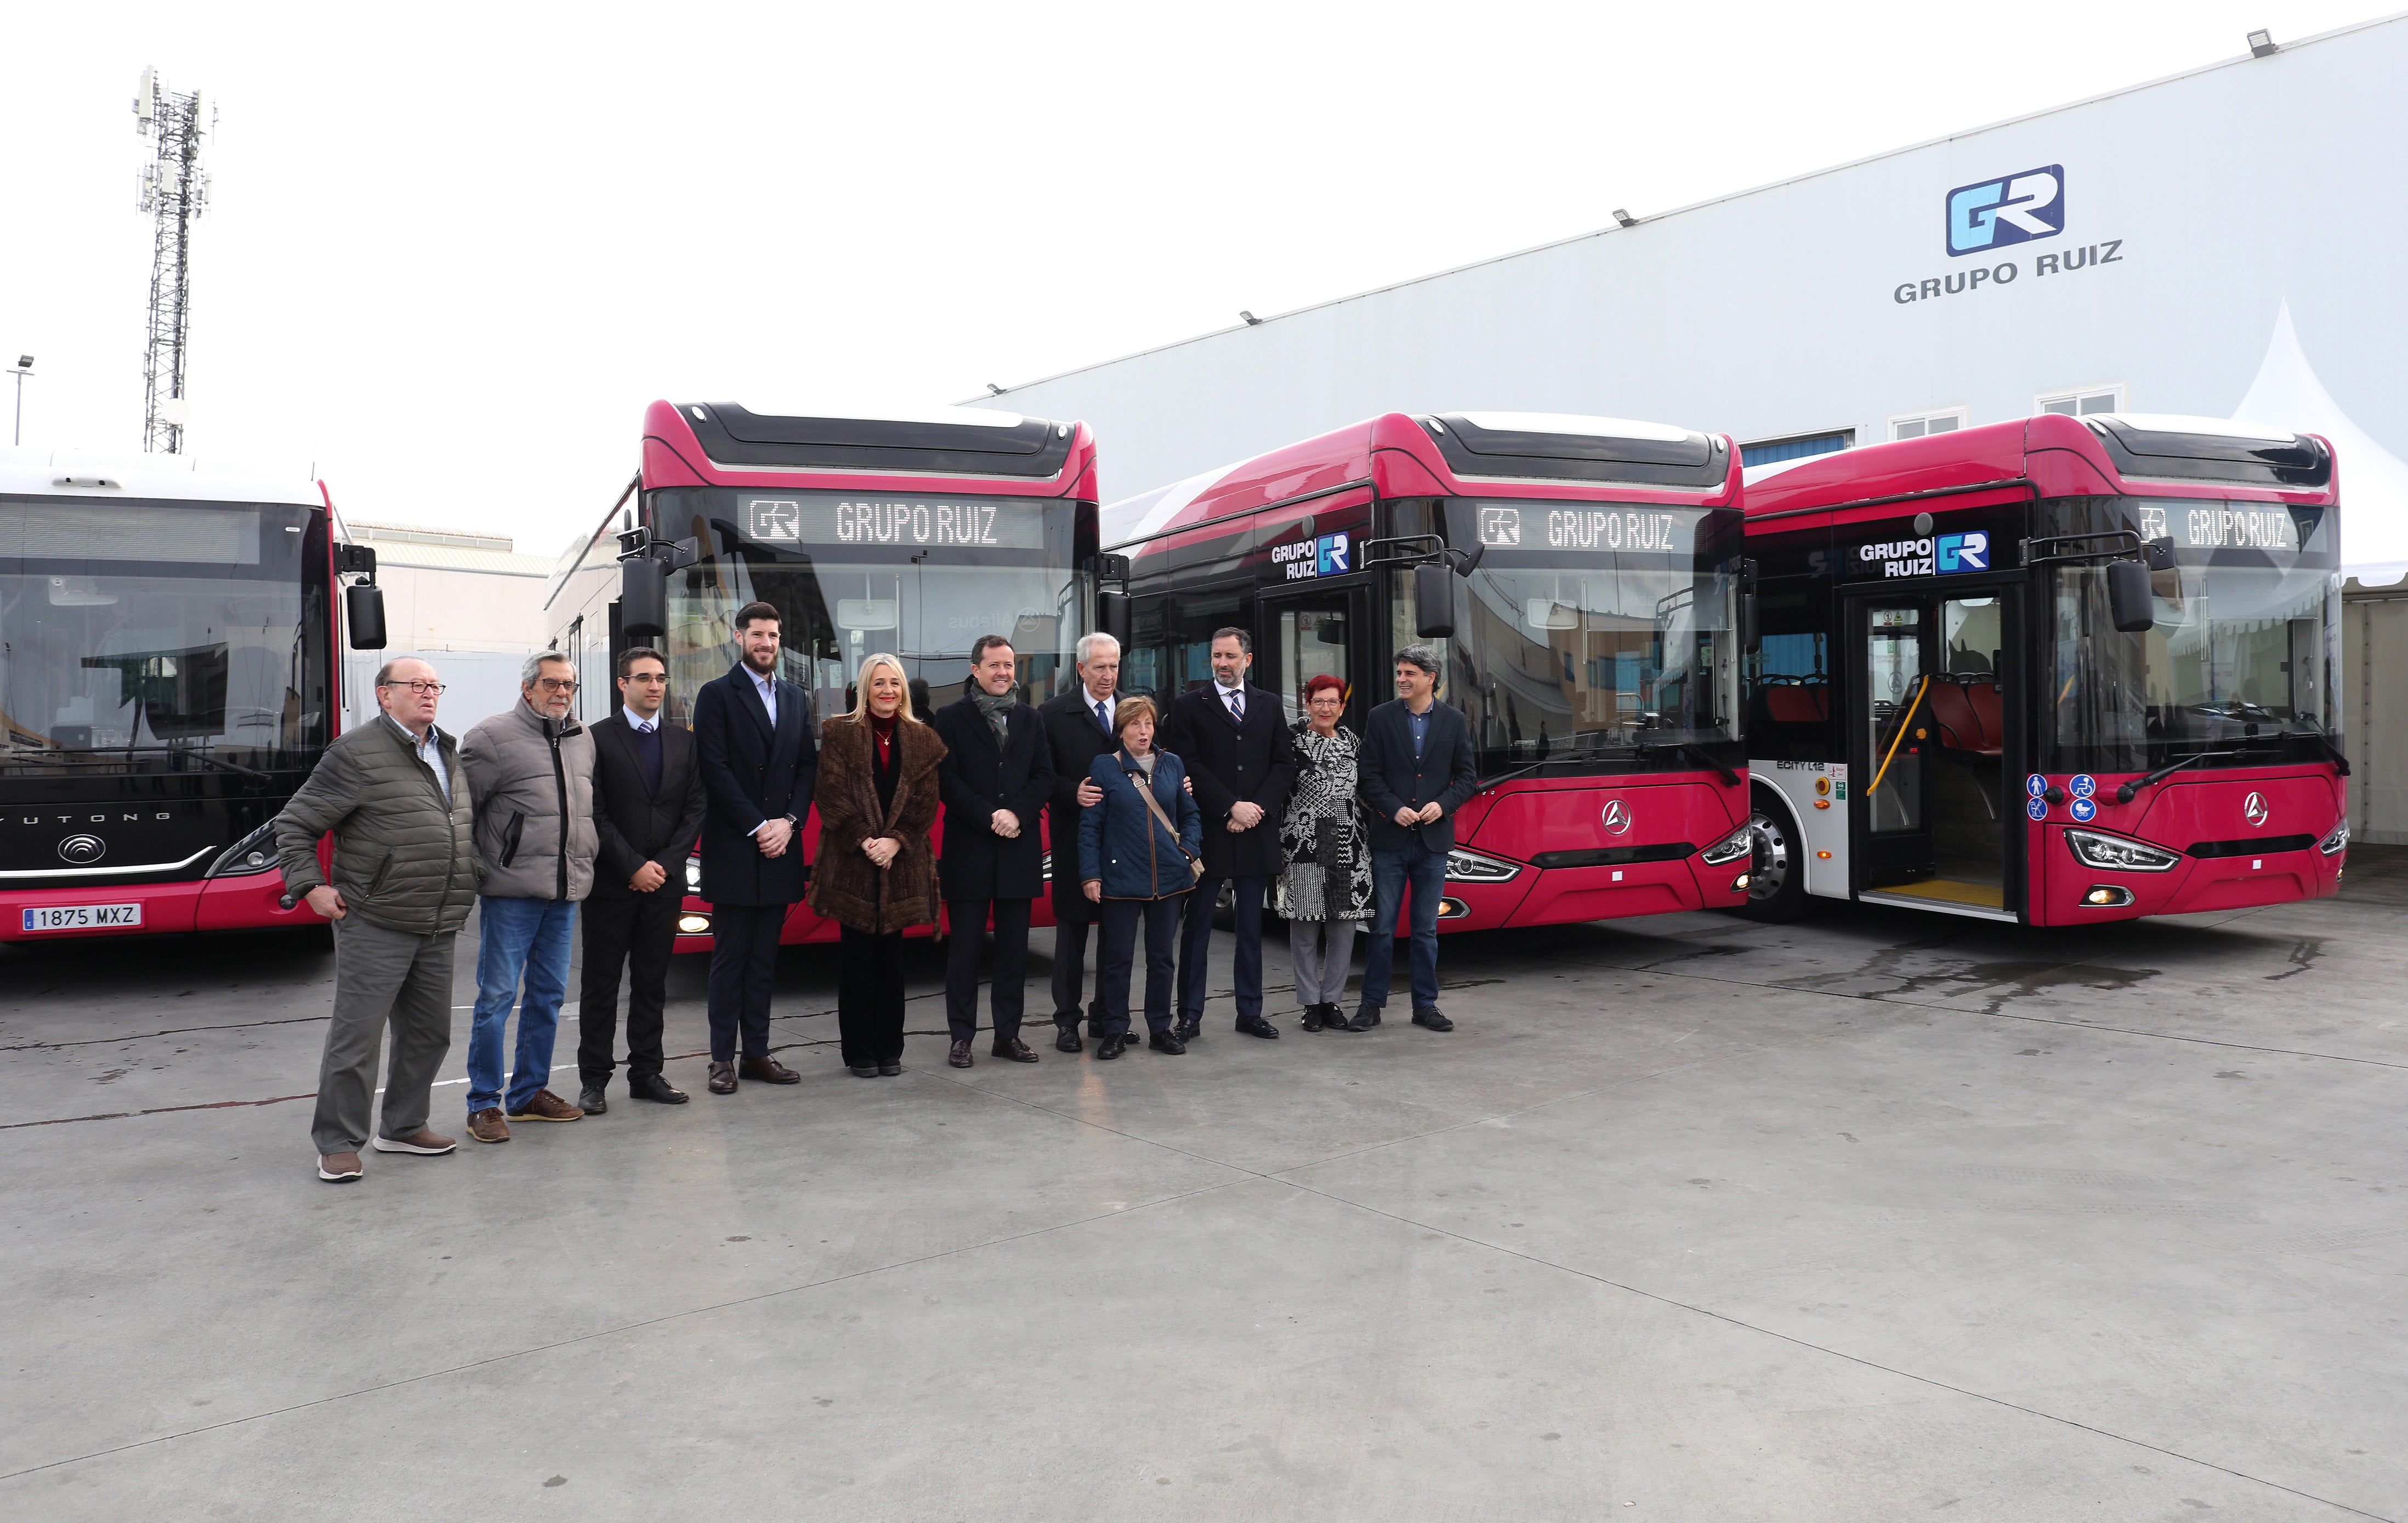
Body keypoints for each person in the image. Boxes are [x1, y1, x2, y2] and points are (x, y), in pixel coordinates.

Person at [275, 658, 482, 1182]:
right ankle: (339, 1142)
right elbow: (296, 825)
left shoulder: (446, 749)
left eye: (434, 685)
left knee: (429, 1034)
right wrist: (309, 886)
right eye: (416, 685)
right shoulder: (355, 753)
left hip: (437, 919)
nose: (429, 693)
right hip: (375, 918)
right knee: (358, 1037)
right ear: (384, 694)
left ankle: (405, 1126)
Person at [457, 652, 600, 1142]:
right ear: (528, 688)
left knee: (548, 998)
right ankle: (483, 1104)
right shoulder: (491, 738)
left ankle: (528, 1095)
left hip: (564, 893)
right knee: (496, 998)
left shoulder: (583, 740)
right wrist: (479, 871)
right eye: (551, 683)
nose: (562, 692)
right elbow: (459, 814)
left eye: (570, 685)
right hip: (512, 894)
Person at [691, 602, 817, 1096]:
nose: (767, 643)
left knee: (765, 960)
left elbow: (807, 766)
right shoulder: (717, 695)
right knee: (729, 959)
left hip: (782, 846)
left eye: (774, 634)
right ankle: (721, 1058)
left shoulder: (794, 696)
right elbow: (714, 768)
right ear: (739, 637)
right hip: (738, 847)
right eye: (758, 634)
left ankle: (758, 1053)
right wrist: (758, 826)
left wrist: (789, 823)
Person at [577, 646, 708, 1112]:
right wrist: (632, 865)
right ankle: (593, 1080)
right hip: (612, 884)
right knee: (601, 985)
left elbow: (694, 807)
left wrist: (666, 866)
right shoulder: (595, 739)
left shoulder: (684, 741)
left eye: (661, 678)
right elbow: (594, 811)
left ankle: (646, 1073)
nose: (656, 686)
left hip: (664, 885)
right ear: (623, 684)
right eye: (645, 678)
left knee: (652, 984)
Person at [807, 653, 946, 1077]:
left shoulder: (924, 739)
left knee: (892, 960)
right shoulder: (839, 733)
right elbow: (829, 793)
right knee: (856, 960)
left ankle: (891, 1050)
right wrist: (867, 840)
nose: (888, 691)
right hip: (853, 863)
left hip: (899, 863)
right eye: (879, 683)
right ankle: (860, 1051)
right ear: (864, 689)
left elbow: (925, 804)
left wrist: (895, 841)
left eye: (895, 683)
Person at [1160, 627, 1296, 1041]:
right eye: (1217, 656)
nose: (1222, 663)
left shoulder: (1269, 704)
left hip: (1256, 830)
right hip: (1210, 834)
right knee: (1198, 929)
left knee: (1251, 929)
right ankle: (1190, 1016)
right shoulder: (1188, 706)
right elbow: (1189, 765)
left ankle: (1250, 1012)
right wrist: (1228, 807)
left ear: (1247, 660)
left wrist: (1256, 810)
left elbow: (1283, 763)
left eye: (1230, 656)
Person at [934, 635, 1054, 1068]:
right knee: (964, 952)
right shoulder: (950, 718)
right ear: (976, 670)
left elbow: (1045, 776)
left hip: (1017, 851)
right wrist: (991, 816)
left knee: (1012, 952)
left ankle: (1008, 1035)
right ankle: (961, 1038)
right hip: (970, 850)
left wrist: (1017, 814)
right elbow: (947, 781)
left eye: (1009, 665)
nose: (1004, 672)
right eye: (995, 665)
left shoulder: (1031, 719)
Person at [1351, 644, 1478, 1033]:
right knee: (1383, 928)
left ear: (1430, 678)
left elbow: (1468, 777)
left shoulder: (1454, 721)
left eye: (1410, 673)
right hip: (1390, 840)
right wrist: (1393, 808)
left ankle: (1425, 1005)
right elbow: (1368, 775)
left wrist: (1443, 804)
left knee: (1425, 929)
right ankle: (1371, 1005)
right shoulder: (1381, 717)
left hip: (1433, 843)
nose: (1402, 679)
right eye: (1400, 673)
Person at [1078, 697, 1203, 1058]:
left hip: (1170, 877)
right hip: (1120, 878)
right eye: (1134, 724)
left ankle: (1160, 1028)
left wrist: (1188, 851)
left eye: (1148, 723)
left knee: (1162, 958)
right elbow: (1091, 826)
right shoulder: (1105, 767)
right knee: (1117, 959)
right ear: (1121, 730)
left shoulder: (1173, 764)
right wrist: (1091, 874)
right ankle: (1116, 1029)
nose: (1143, 731)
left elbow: (1191, 814)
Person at [1038, 632, 1123, 1052]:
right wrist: (1071, 792)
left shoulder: (1132, 711)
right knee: (1072, 936)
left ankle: (1108, 1016)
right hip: (1073, 842)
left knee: (1117, 934)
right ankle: (1067, 1022)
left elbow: (1153, 760)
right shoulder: (1053, 714)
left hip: (1125, 847)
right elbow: (1039, 775)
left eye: (1113, 666)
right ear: (1081, 669)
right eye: (1099, 667)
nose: (1107, 675)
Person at [1277, 673, 1372, 1032]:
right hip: (1303, 841)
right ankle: (1309, 1003)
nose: (1326, 708)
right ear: (1307, 703)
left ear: (1342, 707)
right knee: (1304, 928)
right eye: (1319, 701)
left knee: (1343, 929)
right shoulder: (1292, 740)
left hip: (1345, 840)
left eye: (1333, 701)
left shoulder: (1352, 742)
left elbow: (1367, 791)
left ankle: (1332, 1000)